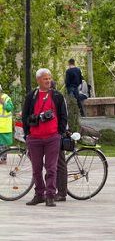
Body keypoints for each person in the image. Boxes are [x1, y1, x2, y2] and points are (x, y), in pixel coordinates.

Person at [22, 67, 68, 207]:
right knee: (36, 169)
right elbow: (25, 116)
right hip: (34, 138)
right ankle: (39, 194)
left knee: (51, 168)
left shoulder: (57, 96)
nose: (48, 81)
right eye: (45, 79)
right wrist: (27, 134)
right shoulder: (31, 96)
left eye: (49, 78)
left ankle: (50, 196)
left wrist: (59, 133)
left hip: (52, 137)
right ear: (38, 80)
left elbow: (63, 116)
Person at [0, 84, 13, 163]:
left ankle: (3, 159)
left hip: (4, 126)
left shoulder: (6, 98)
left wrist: (3, 103)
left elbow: (10, 108)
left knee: (3, 144)